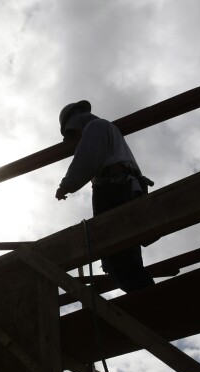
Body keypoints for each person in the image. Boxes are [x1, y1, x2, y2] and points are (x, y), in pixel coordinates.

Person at [55, 100, 155, 293]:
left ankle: (147, 300)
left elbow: (86, 158)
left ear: (74, 124)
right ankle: (145, 297)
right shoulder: (108, 131)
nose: (76, 141)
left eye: (73, 134)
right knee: (122, 255)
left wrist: (65, 185)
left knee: (116, 253)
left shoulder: (95, 127)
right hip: (125, 188)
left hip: (115, 189)